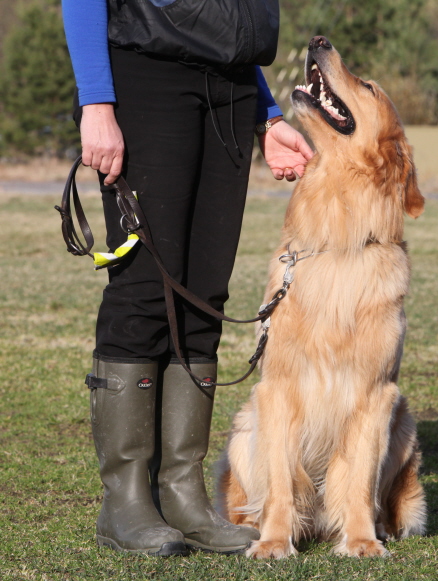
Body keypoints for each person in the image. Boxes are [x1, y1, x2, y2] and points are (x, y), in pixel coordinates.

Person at [62, 0, 313, 557]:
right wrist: (96, 101)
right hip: (145, 75)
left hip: (229, 88)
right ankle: (124, 501)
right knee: (146, 290)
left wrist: (267, 114)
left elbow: (229, 18)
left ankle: (182, 495)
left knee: (204, 295)